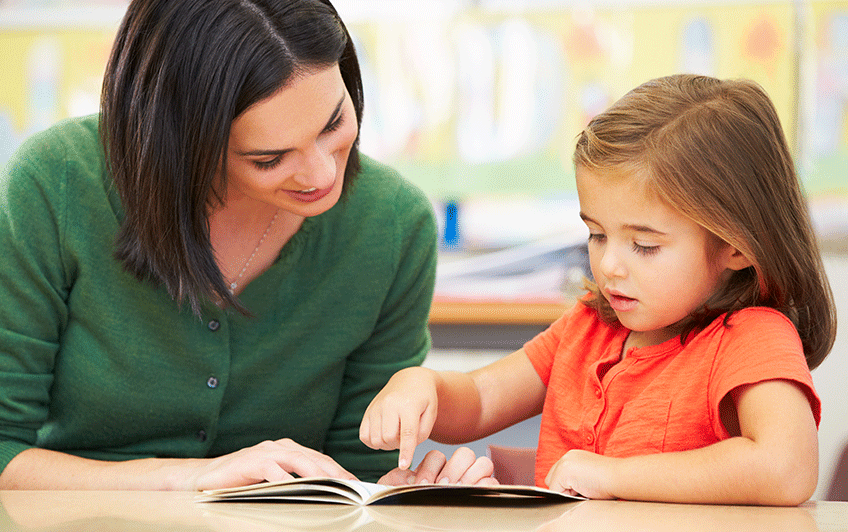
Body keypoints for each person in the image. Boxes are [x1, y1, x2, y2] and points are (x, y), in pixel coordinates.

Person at [0, 0, 493, 490]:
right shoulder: (56, 183)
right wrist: (190, 478)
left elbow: (357, 473)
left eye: (333, 124)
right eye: (270, 158)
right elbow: (5, 449)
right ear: (183, 142)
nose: (322, 174)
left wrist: (409, 491)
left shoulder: (392, 224)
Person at [360, 74, 837, 505]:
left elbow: (785, 469)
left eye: (645, 245)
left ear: (736, 247)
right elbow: (483, 398)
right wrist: (421, 387)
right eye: (597, 234)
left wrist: (613, 475)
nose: (609, 265)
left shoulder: (752, 337)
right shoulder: (588, 326)